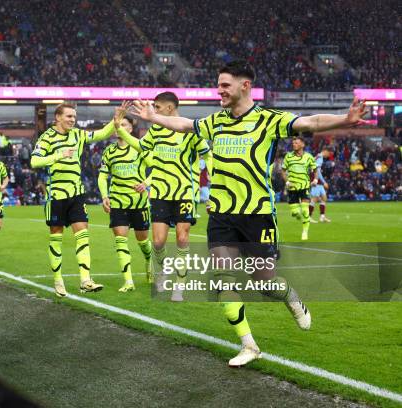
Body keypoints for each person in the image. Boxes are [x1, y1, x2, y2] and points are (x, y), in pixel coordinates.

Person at [129, 60, 367, 367]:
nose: (219, 90)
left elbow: (310, 122)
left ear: (245, 86)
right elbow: (186, 125)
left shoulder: (269, 119)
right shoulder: (216, 121)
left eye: (225, 85)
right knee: (224, 278)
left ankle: (292, 299)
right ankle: (248, 344)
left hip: (257, 215)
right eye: (218, 85)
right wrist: (153, 117)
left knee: (265, 282)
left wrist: (344, 119)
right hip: (222, 216)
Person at [113, 92, 212, 302]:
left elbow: (206, 153)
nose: (154, 111)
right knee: (158, 242)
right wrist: (120, 128)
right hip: (159, 192)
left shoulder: (189, 129)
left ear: (169, 108)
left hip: (185, 192)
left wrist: (211, 174)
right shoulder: (156, 129)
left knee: (183, 238)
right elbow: (141, 146)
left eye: (157, 107)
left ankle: (180, 286)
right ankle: (165, 268)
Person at [30, 102, 117, 297]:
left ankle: (85, 280)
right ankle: (58, 280)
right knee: (56, 238)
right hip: (56, 196)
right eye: (69, 116)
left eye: (74, 117)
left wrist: (115, 120)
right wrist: (58, 155)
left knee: (83, 234)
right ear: (58, 117)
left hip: (76, 193)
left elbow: (101, 134)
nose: (72, 120)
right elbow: (35, 161)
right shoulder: (47, 138)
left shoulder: (78, 134)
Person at [98, 111, 153, 292]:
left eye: (124, 125)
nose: (119, 128)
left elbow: (158, 168)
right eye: (117, 125)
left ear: (131, 128)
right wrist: (105, 196)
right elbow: (102, 176)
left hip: (139, 203)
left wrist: (145, 183)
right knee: (120, 240)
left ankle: (149, 260)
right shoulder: (109, 151)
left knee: (142, 240)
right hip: (118, 202)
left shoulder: (140, 148)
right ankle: (128, 281)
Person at [281, 136, 317, 240]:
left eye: (296, 143)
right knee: (295, 213)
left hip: (305, 186)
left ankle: (305, 232)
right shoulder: (288, 156)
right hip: (292, 188)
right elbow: (283, 170)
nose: (294, 145)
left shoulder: (309, 157)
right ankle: (298, 215)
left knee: (305, 210)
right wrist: (287, 181)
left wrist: (315, 180)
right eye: (293, 143)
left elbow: (315, 170)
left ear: (302, 144)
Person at [309, 149, 331, 223]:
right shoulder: (320, 158)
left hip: (318, 181)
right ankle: (309, 217)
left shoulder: (318, 156)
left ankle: (322, 217)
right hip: (316, 180)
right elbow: (317, 170)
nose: (329, 155)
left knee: (324, 198)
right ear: (325, 151)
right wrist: (324, 182)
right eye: (329, 153)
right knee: (314, 199)